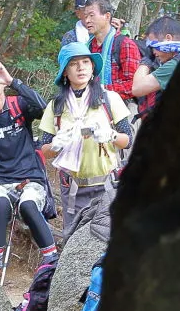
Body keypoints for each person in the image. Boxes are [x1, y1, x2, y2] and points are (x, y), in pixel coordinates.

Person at [0, 57, 60, 269]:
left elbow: (46, 109)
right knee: (0, 203)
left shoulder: (19, 105)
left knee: (28, 205)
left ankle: (52, 260)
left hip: (28, 177)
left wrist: (11, 81)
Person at [38, 42, 134, 236]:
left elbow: (129, 139)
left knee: (106, 239)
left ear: (92, 68)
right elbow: (43, 150)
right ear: (65, 72)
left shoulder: (109, 98)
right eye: (74, 63)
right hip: (73, 188)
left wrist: (111, 135)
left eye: (85, 62)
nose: (81, 67)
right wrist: (56, 145)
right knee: (73, 241)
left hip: (108, 185)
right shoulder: (56, 106)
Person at [82, 0, 142, 106]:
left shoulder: (125, 44)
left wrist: (102, 90)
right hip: (91, 104)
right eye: (85, 16)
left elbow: (134, 85)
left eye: (91, 15)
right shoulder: (87, 47)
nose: (87, 20)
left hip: (120, 107)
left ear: (107, 16)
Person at [132, 16, 180, 119]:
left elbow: (136, 88)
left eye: (153, 45)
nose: (153, 51)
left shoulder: (175, 65)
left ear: (168, 39)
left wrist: (146, 60)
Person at [61, 0, 128, 45]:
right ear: (78, 13)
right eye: (85, 10)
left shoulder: (111, 31)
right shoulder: (71, 37)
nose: (89, 19)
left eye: (93, 13)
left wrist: (117, 32)